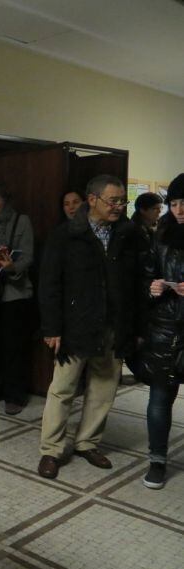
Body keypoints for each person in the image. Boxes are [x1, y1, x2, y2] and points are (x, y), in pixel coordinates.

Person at [37, 175, 139, 479]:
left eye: (123, 200)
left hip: (112, 325)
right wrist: (51, 328)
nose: (119, 207)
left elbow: (134, 283)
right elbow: (49, 284)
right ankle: (51, 450)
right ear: (91, 200)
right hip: (74, 328)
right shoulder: (66, 235)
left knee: (104, 386)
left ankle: (87, 442)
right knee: (62, 388)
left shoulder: (127, 234)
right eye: (113, 200)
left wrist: (134, 326)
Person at [136, 173, 184, 489]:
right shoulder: (160, 237)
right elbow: (143, 277)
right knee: (160, 396)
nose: (179, 210)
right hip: (166, 329)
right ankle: (157, 460)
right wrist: (152, 288)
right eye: (175, 203)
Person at [0, 184, 34, 415]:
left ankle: (15, 395)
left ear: (5, 201)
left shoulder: (21, 221)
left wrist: (11, 266)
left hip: (15, 294)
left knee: (14, 347)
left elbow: (28, 255)